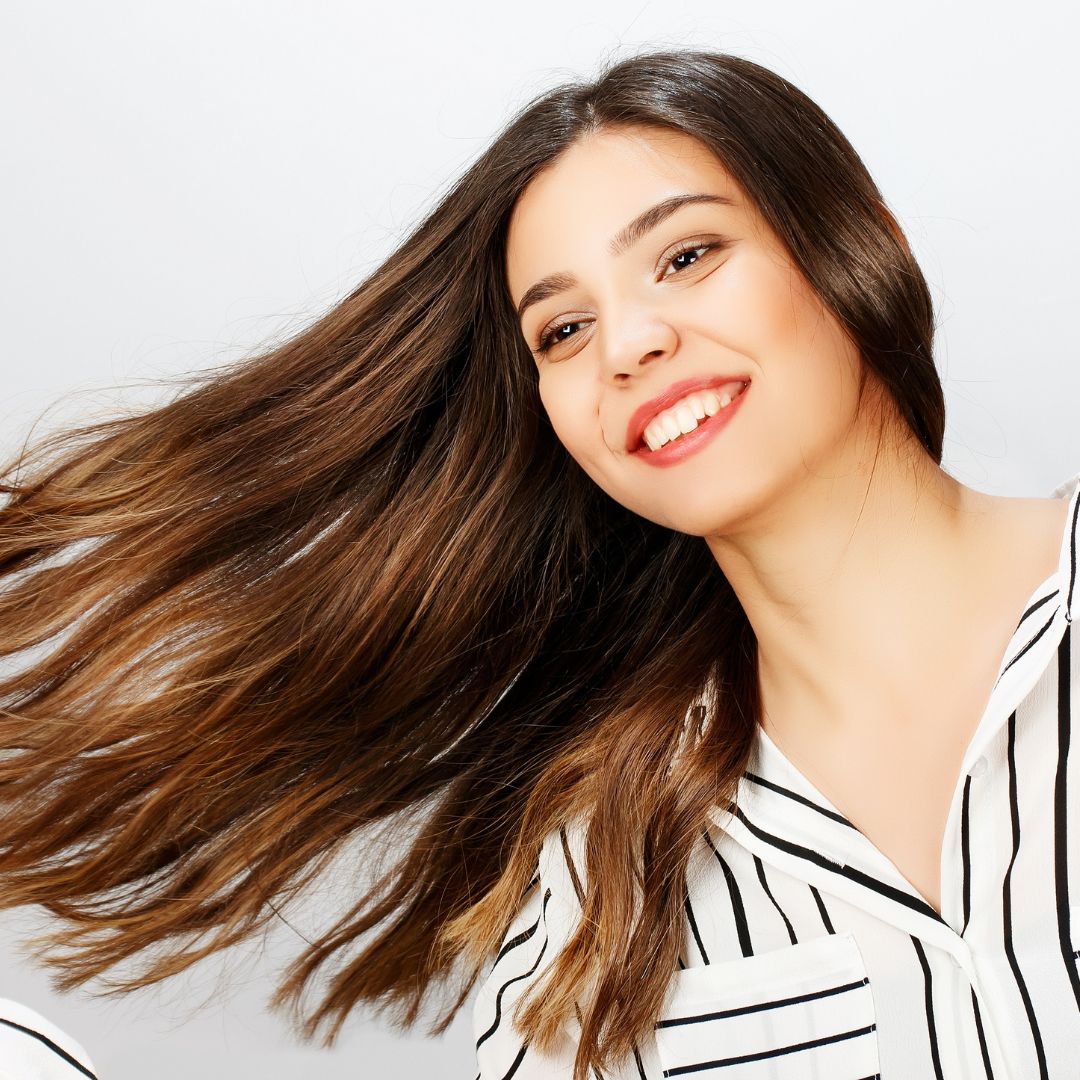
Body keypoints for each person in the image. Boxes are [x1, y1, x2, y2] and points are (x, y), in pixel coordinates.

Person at [0, 48, 1076, 1080]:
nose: (628, 345)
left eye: (688, 257)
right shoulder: (592, 906)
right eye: (562, 331)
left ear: (861, 242)